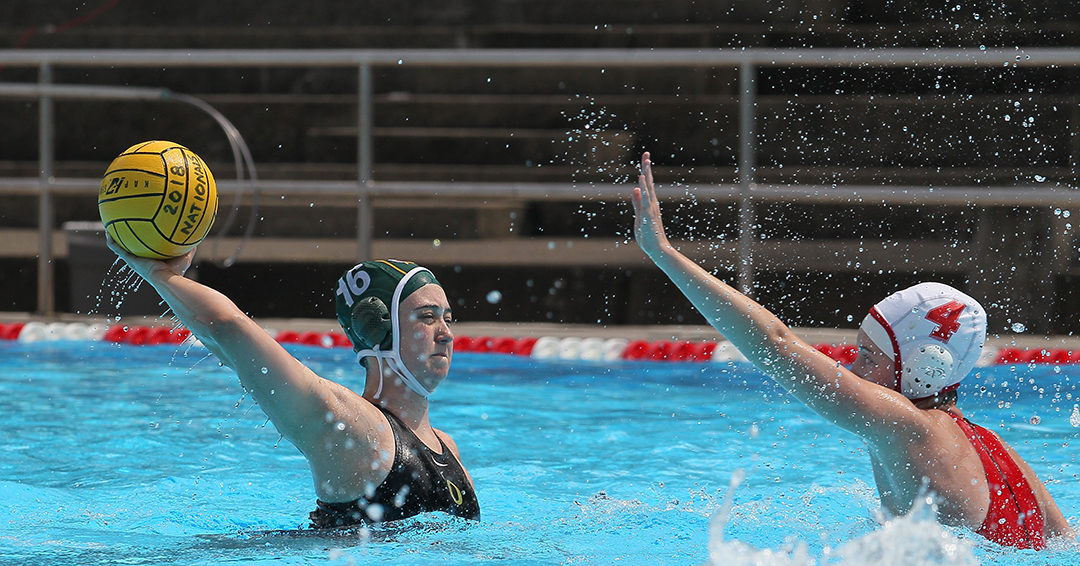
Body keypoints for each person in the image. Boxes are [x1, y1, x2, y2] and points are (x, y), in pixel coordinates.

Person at [629, 151, 1072, 549]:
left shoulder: (905, 425)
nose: (852, 366)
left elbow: (775, 345)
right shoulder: (997, 450)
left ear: (924, 369)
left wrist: (665, 253)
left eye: (869, 356)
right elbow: (1064, 542)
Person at [107, 240, 479, 528]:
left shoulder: (449, 447)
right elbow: (230, 328)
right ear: (377, 328)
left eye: (447, 318)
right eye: (426, 317)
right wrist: (158, 273)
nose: (446, 334)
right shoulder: (353, 429)